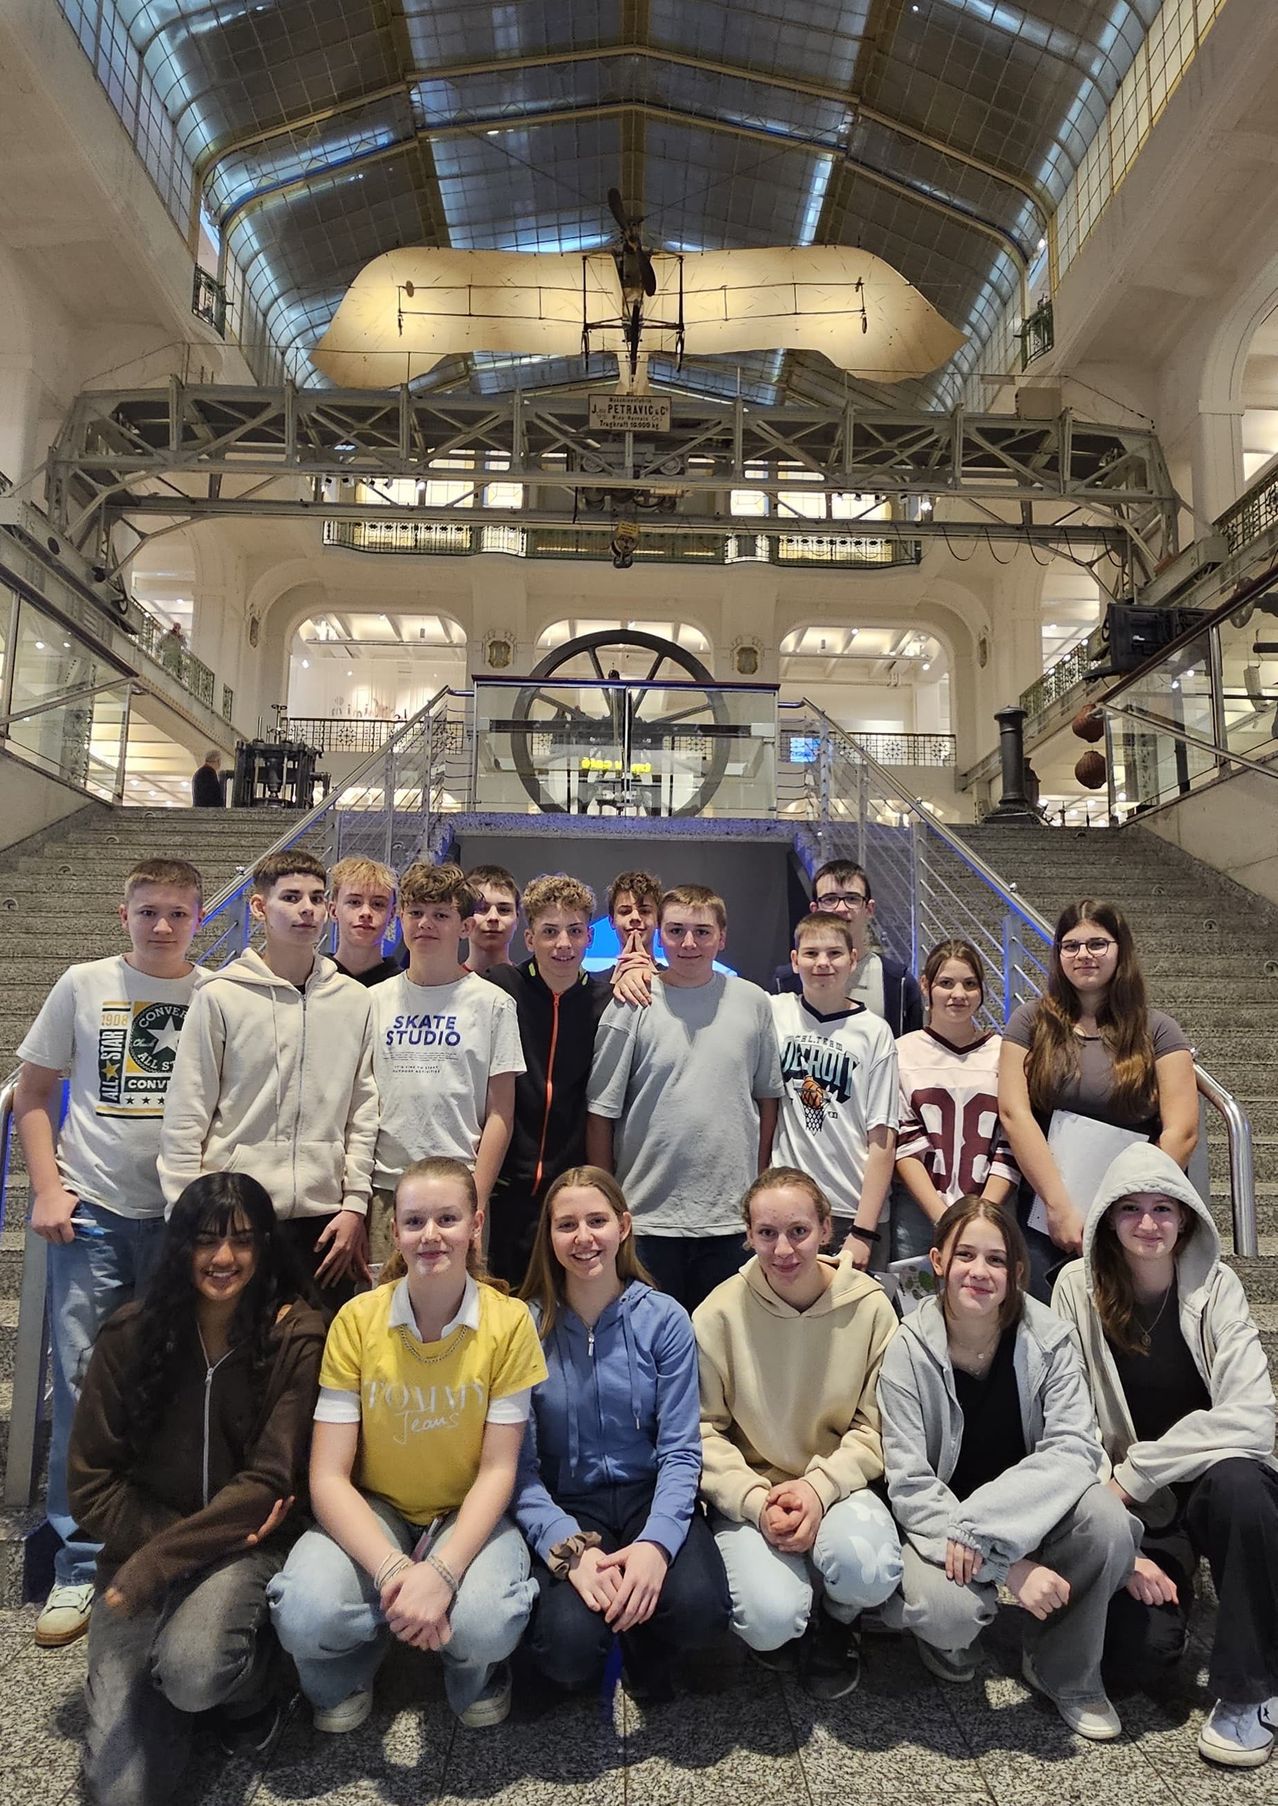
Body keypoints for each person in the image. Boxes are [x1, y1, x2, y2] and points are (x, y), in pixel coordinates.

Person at [68, 1173, 325, 1805]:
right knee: (121, 1793)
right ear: (179, 1245)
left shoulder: (298, 1337)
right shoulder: (127, 1335)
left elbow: (269, 1482)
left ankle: (254, 1687)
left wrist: (161, 1563)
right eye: (206, 1241)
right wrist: (165, 1551)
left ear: (265, 1246)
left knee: (192, 1671)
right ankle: (178, 1698)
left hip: (243, 1550)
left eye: (241, 1241)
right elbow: (90, 1483)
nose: (223, 1258)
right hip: (142, 1552)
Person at [268, 1157, 548, 1731]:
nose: (431, 1235)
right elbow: (326, 1477)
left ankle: (470, 1670)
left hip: (466, 1508)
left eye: (448, 1218)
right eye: (414, 1220)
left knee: (484, 1624)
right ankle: (354, 1664)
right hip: (379, 1508)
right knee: (302, 1612)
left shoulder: (510, 1321)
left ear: (476, 1225)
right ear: (393, 1231)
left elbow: (499, 1471)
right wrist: (397, 1571)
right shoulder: (356, 1320)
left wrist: (442, 1573)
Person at [15, 857, 208, 1649]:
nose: (162, 926)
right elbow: (33, 1092)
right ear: (121, 913)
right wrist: (47, 1186)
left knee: (174, 1380)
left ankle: (161, 1545)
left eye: (177, 913)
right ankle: (80, 1561)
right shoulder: (82, 984)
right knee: (83, 1383)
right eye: (148, 911)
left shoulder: (213, 994)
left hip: (177, 1216)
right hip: (91, 1214)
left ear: (200, 918)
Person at [1052, 1144, 1278, 1768]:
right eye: (1130, 1209)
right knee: (1135, 1661)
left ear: (1186, 1218)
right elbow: (1066, 1420)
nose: (1148, 1224)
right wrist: (1120, 1535)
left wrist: (1139, 1470)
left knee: (1243, 1484)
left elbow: (1254, 1416)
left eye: (1162, 1209)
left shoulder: (1217, 1284)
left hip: (1207, 1486)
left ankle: (1250, 1691)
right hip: (1132, 1506)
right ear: (1106, 1218)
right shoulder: (1076, 1288)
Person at [877, 1197, 1135, 1740]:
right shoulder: (905, 1348)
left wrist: (991, 1535)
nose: (980, 1271)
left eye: (996, 1260)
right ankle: (947, 1636)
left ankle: (1065, 1672)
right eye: (965, 1254)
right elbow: (909, 1483)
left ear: (1017, 1272)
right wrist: (1009, 1569)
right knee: (946, 1613)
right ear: (938, 1261)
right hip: (945, 1525)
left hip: (1027, 1515)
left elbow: (1074, 1450)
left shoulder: (1051, 1340)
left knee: (1106, 1521)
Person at [513, 1166, 731, 1696]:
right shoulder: (522, 1327)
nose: (583, 1238)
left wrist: (656, 1545)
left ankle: (638, 1625)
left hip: (648, 1495)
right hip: (568, 1505)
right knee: (566, 1652)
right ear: (549, 1236)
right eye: (567, 1225)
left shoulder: (666, 1319)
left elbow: (681, 1451)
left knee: (701, 1614)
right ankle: (607, 1629)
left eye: (597, 1220)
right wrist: (571, 1552)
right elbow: (517, 1473)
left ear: (624, 1226)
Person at [694, 1168, 903, 1699]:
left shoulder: (872, 1307)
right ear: (747, 1235)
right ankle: (792, 1613)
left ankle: (839, 1618)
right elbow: (702, 1431)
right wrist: (756, 1500)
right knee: (768, 1620)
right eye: (766, 1234)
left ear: (826, 1228)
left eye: (799, 1232)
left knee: (870, 1569)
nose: (783, 1249)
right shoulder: (718, 1313)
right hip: (753, 1489)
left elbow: (877, 1425)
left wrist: (817, 1489)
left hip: (837, 1484)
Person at [159, 851, 377, 1304]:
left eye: (317, 898)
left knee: (317, 1356)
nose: (306, 909)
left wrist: (355, 1202)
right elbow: (188, 1109)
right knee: (242, 1357)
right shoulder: (220, 996)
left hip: (326, 1219)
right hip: (234, 1217)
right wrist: (187, 1210)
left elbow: (363, 1108)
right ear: (259, 907)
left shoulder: (355, 1000)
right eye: (291, 897)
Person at [586, 884, 783, 1312]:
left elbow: (767, 1098)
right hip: (647, 1217)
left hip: (730, 1217)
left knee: (720, 1352)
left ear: (722, 938)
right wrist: (607, 1199)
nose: (688, 943)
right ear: (661, 936)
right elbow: (601, 1111)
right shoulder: (630, 1003)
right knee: (647, 1351)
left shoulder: (753, 1002)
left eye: (702, 932)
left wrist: (759, 1179)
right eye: (676, 931)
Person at [998, 898, 1197, 1296]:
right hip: (1047, 1215)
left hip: (1134, 1217)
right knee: (1044, 1327)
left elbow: (1182, 1131)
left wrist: (1126, 1208)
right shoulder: (1029, 1022)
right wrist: (1058, 1206)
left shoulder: (1158, 1030)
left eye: (1097, 944)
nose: (1083, 955)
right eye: (1071, 946)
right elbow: (1014, 1112)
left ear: (1120, 949)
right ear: (1058, 955)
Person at [365, 861, 524, 1265]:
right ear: (400, 919)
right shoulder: (372, 1001)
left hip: (459, 1188)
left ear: (464, 926)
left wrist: (477, 1196)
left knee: (460, 1316)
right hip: (387, 1187)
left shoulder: (493, 1005)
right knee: (386, 1314)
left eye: (441, 915)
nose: (426, 924)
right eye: (416, 913)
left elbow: (501, 1112)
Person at [482, 875, 611, 1288]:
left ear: (589, 937)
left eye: (575, 931)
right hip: (505, 1191)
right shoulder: (501, 989)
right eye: (550, 932)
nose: (563, 945)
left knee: (562, 1308)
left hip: (569, 1189)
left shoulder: (606, 1002)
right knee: (503, 1307)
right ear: (530, 938)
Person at [770, 911, 898, 1261]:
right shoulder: (772, 1012)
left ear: (853, 959)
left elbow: (883, 1141)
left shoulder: (874, 1032)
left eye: (834, 953)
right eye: (811, 953)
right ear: (795, 961)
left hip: (850, 1208)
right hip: (785, 1204)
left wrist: (863, 1230)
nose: (822, 963)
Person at [893, 939, 1019, 1262]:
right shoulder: (902, 1052)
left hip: (992, 1208)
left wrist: (981, 1216)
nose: (958, 994)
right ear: (926, 986)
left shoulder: (1003, 1053)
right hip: (919, 1213)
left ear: (982, 991)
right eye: (946, 983)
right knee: (915, 1306)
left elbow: (1010, 1141)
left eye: (969, 984)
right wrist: (944, 1217)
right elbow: (904, 1144)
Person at [771, 860, 924, 1035]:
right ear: (815, 909)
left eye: (852, 898)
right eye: (830, 899)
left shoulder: (899, 983)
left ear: (869, 908)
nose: (841, 908)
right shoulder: (784, 981)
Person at [329, 855, 403, 986]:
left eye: (378, 904)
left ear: (391, 914)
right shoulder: (310, 981)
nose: (366, 913)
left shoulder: (403, 989)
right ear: (333, 910)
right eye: (354, 902)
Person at [463, 864, 521, 975]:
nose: (493, 917)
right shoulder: (446, 986)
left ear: (517, 919)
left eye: (503, 910)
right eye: (482, 908)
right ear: (464, 918)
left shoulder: (530, 988)